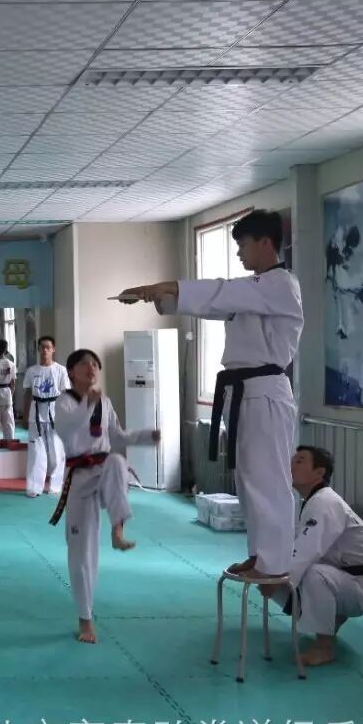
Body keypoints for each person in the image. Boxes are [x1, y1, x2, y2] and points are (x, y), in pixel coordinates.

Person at [125, 209, 302, 583]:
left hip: (265, 394)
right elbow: (212, 302)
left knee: (268, 478)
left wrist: (168, 284)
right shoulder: (254, 290)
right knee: (250, 478)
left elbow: (220, 291)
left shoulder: (280, 284)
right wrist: (160, 296)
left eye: (243, 245)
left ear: (265, 243)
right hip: (245, 392)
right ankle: (260, 554)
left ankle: (275, 561)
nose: (239, 253)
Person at [51, 349, 159, 644]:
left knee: (117, 462)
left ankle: (117, 528)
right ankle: (85, 620)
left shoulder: (105, 403)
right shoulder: (63, 403)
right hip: (79, 478)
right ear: (71, 372)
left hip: (103, 470)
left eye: (95, 364)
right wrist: (88, 403)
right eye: (85, 364)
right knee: (81, 552)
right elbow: (67, 428)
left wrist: (147, 436)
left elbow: (119, 436)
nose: (92, 368)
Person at [259, 446, 363, 667]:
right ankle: (331, 620)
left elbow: (307, 550)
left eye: (300, 461)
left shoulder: (325, 503)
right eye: (293, 460)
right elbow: (294, 547)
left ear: (319, 472)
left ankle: (324, 648)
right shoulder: (311, 501)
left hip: (360, 586)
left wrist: (276, 579)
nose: (291, 465)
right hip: (342, 578)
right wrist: (263, 569)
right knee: (269, 577)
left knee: (313, 574)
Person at [21, 336, 71, 497]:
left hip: (56, 413)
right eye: (42, 347)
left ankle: (55, 486)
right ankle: (34, 487)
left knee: (57, 452)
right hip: (36, 414)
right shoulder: (32, 371)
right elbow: (27, 394)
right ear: (38, 349)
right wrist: (24, 414)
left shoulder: (60, 370)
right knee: (36, 452)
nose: (45, 350)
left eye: (48, 347)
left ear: (53, 349)